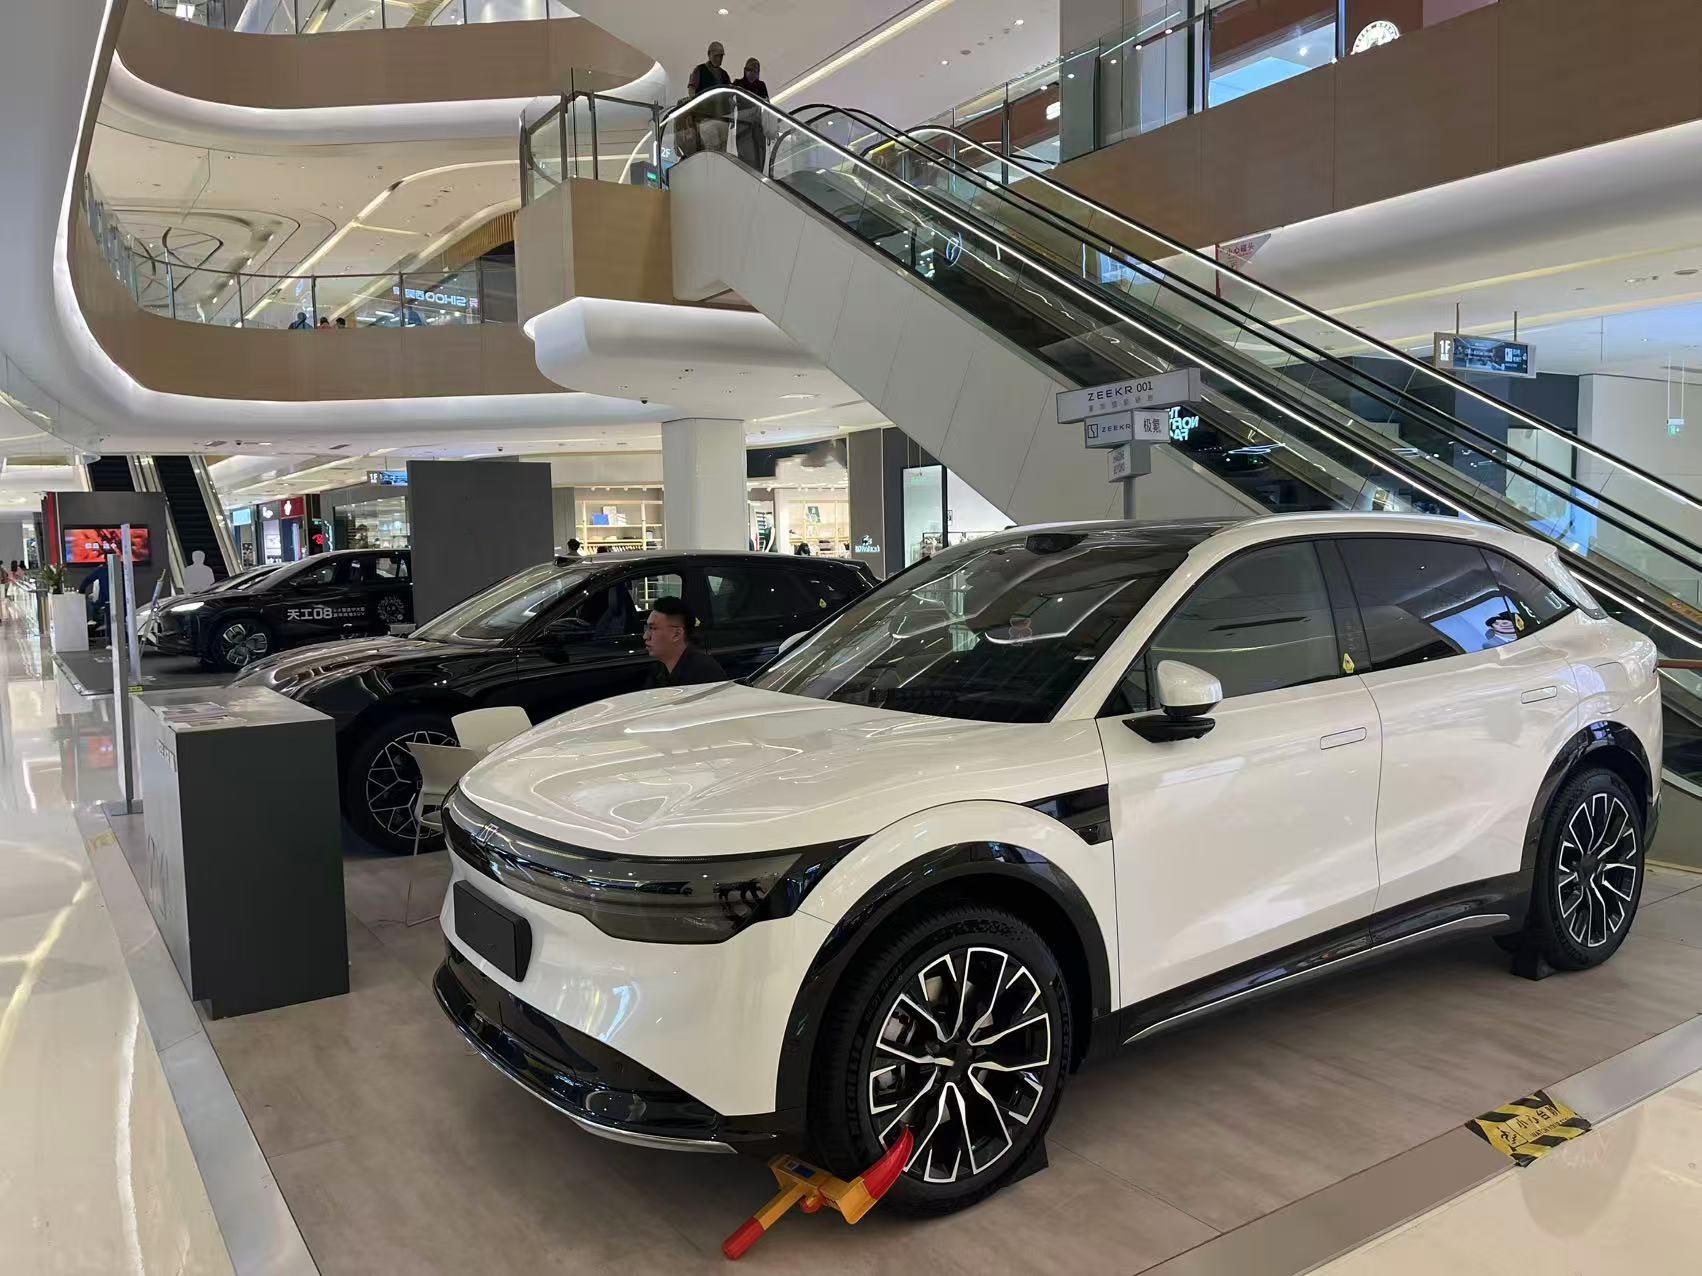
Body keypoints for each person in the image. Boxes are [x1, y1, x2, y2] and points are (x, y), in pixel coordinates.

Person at [642, 596, 726, 688]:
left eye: (653, 628)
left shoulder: (705, 672)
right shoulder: (658, 669)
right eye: (647, 628)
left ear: (677, 634)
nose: (645, 636)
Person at [688, 41, 732, 154]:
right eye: (716, 56)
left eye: (721, 56)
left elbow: (730, 95)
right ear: (709, 54)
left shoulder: (724, 75)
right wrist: (696, 105)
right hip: (705, 118)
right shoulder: (699, 70)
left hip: (723, 118)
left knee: (722, 152)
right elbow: (691, 89)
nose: (719, 59)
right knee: (711, 149)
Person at [733, 57, 769, 170]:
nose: (753, 73)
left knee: (759, 153)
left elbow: (767, 104)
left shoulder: (761, 85)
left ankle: (758, 173)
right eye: (751, 70)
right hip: (743, 124)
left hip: (758, 124)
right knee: (746, 154)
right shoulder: (738, 83)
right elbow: (729, 99)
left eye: (756, 71)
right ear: (745, 70)